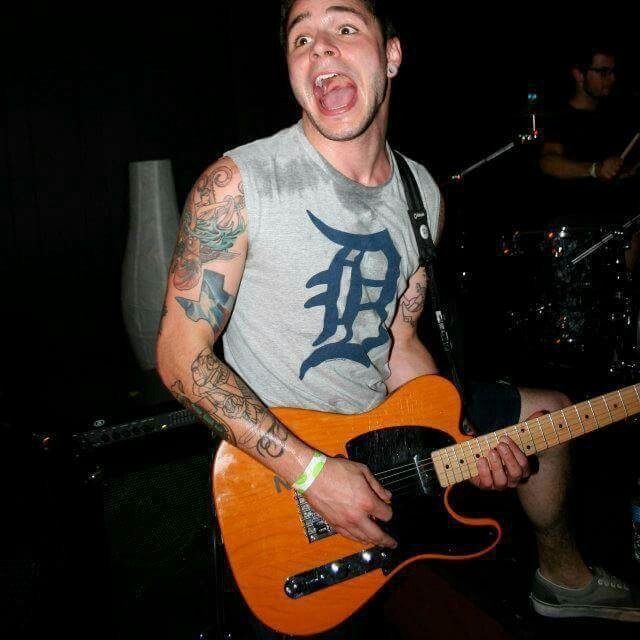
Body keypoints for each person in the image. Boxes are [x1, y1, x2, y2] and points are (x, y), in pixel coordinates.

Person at [156, 3, 640, 636]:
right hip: (285, 474)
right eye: (302, 37)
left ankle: (562, 577)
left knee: (548, 413)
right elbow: (180, 356)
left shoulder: (420, 193)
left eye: (344, 28)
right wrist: (311, 472)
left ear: (391, 55)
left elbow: (398, 339)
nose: (320, 48)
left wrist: (459, 436)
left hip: (382, 438)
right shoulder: (238, 183)